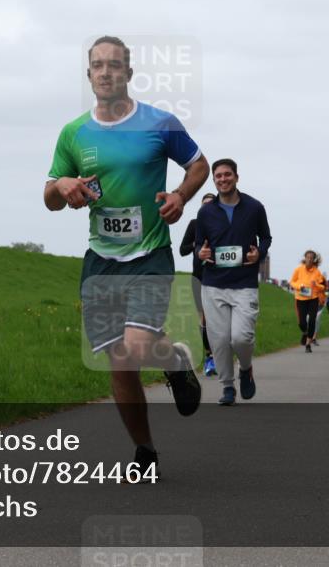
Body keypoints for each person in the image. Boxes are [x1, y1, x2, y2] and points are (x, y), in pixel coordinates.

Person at [45, 36, 209, 476]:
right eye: (97, 65)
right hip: (100, 260)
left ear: (129, 73)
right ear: (88, 75)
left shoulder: (159, 123)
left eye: (114, 65)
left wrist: (179, 196)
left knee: (133, 349)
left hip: (149, 253)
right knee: (119, 364)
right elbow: (50, 196)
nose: (105, 72)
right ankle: (145, 450)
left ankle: (172, 360)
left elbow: (199, 165)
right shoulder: (73, 133)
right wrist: (62, 186)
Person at [196, 158, 272, 405]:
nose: (223, 179)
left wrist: (258, 254)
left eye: (227, 175)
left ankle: (246, 368)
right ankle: (227, 387)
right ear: (214, 180)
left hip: (244, 283)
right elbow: (199, 244)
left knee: (241, 338)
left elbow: (266, 238)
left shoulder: (254, 207)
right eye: (218, 176)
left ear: (237, 177)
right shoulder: (205, 212)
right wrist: (201, 252)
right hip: (213, 284)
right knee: (219, 340)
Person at [179, 193, 217, 376]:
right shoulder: (194, 225)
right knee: (203, 322)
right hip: (198, 278)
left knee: (218, 321)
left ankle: (219, 353)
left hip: (219, 279)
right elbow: (182, 250)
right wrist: (196, 244)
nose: (206, 208)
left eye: (210, 204)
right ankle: (211, 358)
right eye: (204, 205)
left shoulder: (222, 225)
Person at [290, 250, 326, 353]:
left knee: (312, 321)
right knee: (302, 322)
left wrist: (316, 285)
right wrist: (299, 286)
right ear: (305, 258)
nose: (309, 259)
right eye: (308, 257)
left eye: (311, 257)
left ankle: (308, 344)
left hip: (313, 299)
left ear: (313, 259)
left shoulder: (317, 272)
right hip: (300, 298)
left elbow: (323, 287)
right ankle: (305, 333)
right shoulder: (298, 270)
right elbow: (292, 282)